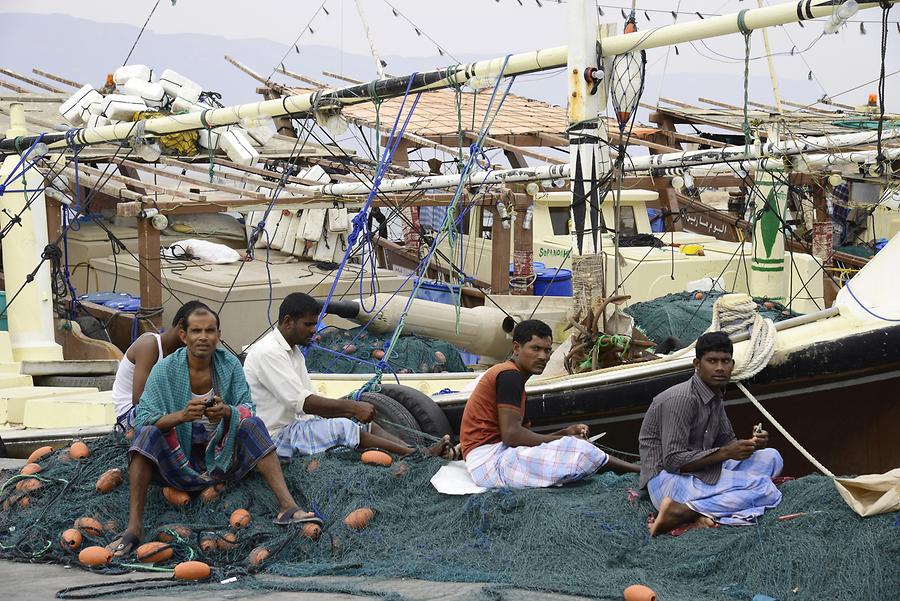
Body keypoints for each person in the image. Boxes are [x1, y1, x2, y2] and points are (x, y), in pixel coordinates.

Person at [107, 304, 320, 557]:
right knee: (146, 435)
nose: (203, 337)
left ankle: (287, 507)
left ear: (218, 334)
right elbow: (142, 419)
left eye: (210, 331)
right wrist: (181, 416)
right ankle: (133, 528)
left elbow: (247, 408)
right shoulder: (164, 370)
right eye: (196, 331)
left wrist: (227, 412)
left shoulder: (229, 365)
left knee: (253, 425)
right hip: (178, 462)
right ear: (184, 335)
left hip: (222, 458)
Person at [244, 292, 453, 459]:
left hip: (296, 427)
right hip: (275, 437)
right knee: (345, 426)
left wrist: (350, 413)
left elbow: (308, 401)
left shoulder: (294, 352)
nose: (314, 330)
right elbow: (304, 403)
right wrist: (353, 408)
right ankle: (417, 456)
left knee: (362, 423)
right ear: (288, 321)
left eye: (315, 324)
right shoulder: (268, 352)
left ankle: (413, 450)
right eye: (308, 324)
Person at [459, 319, 639, 489]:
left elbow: (521, 436)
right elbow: (511, 435)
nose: (543, 356)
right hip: (489, 463)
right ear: (516, 348)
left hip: (495, 458)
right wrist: (564, 440)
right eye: (535, 348)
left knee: (574, 447)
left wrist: (565, 432)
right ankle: (639, 471)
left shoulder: (514, 378)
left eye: (547, 350)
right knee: (580, 450)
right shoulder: (509, 376)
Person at [639, 331, 784, 536]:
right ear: (696, 364)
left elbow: (729, 443)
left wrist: (752, 443)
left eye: (725, 361)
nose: (719, 368)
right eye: (712, 361)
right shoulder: (681, 399)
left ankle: (694, 511)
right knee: (764, 489)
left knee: (772, 457)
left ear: (732, 365)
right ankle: (683, 511)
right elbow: (673, 461)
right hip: (667, 481)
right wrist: (726, 453)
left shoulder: (714, 395)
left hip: (702, 471)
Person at [111, 300, 210, 428]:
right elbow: (140, 402)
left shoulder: (184, 354)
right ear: (181, 327)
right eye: (196, 331)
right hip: (130, 416)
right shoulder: (149, 345)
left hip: (162, 411)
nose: (202, 337)